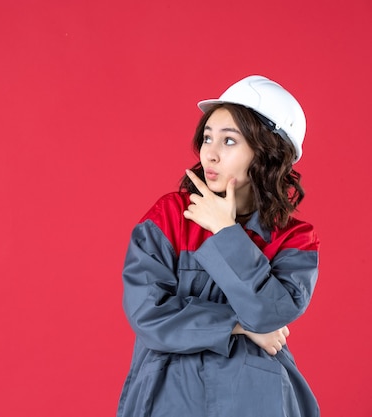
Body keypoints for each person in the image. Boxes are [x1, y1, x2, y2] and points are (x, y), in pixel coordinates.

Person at [116, 75, 320, 417]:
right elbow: (147, 313)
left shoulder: (294, 238)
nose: (209, 153)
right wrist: (239, 327)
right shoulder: (169, 215)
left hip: (258, 397)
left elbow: (271, 314)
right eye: (207, 137)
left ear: (266, 152)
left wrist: (226, 232)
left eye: (229, 141)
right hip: (166, 395)